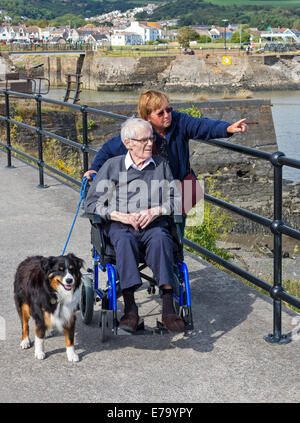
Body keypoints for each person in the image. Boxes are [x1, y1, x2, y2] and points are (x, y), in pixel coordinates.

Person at [84, 89, 248, 234]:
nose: (167, 115)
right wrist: (94, 169)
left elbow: (202, 126)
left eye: (168, 109)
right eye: (160, 113)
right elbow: (110, 148)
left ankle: (176, 259)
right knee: (158, 227)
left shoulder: (179, 121)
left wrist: (227, 129)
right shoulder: (140, 131)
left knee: (177, 227)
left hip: (181, 183)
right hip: (153, 189)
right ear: (147, 116)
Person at [85, 117, 185, 333]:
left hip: (153, 225)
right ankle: (130, 309)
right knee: (123, 240)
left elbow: (176, 200)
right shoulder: (112, 166)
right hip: (121, 225)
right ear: (128, 142)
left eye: (151, 138)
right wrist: (117, 215)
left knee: (161, 239)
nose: (150, 143)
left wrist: (155, 211)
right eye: (144, 140)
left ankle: (168, 310)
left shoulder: (161, 166)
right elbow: (91, 203)